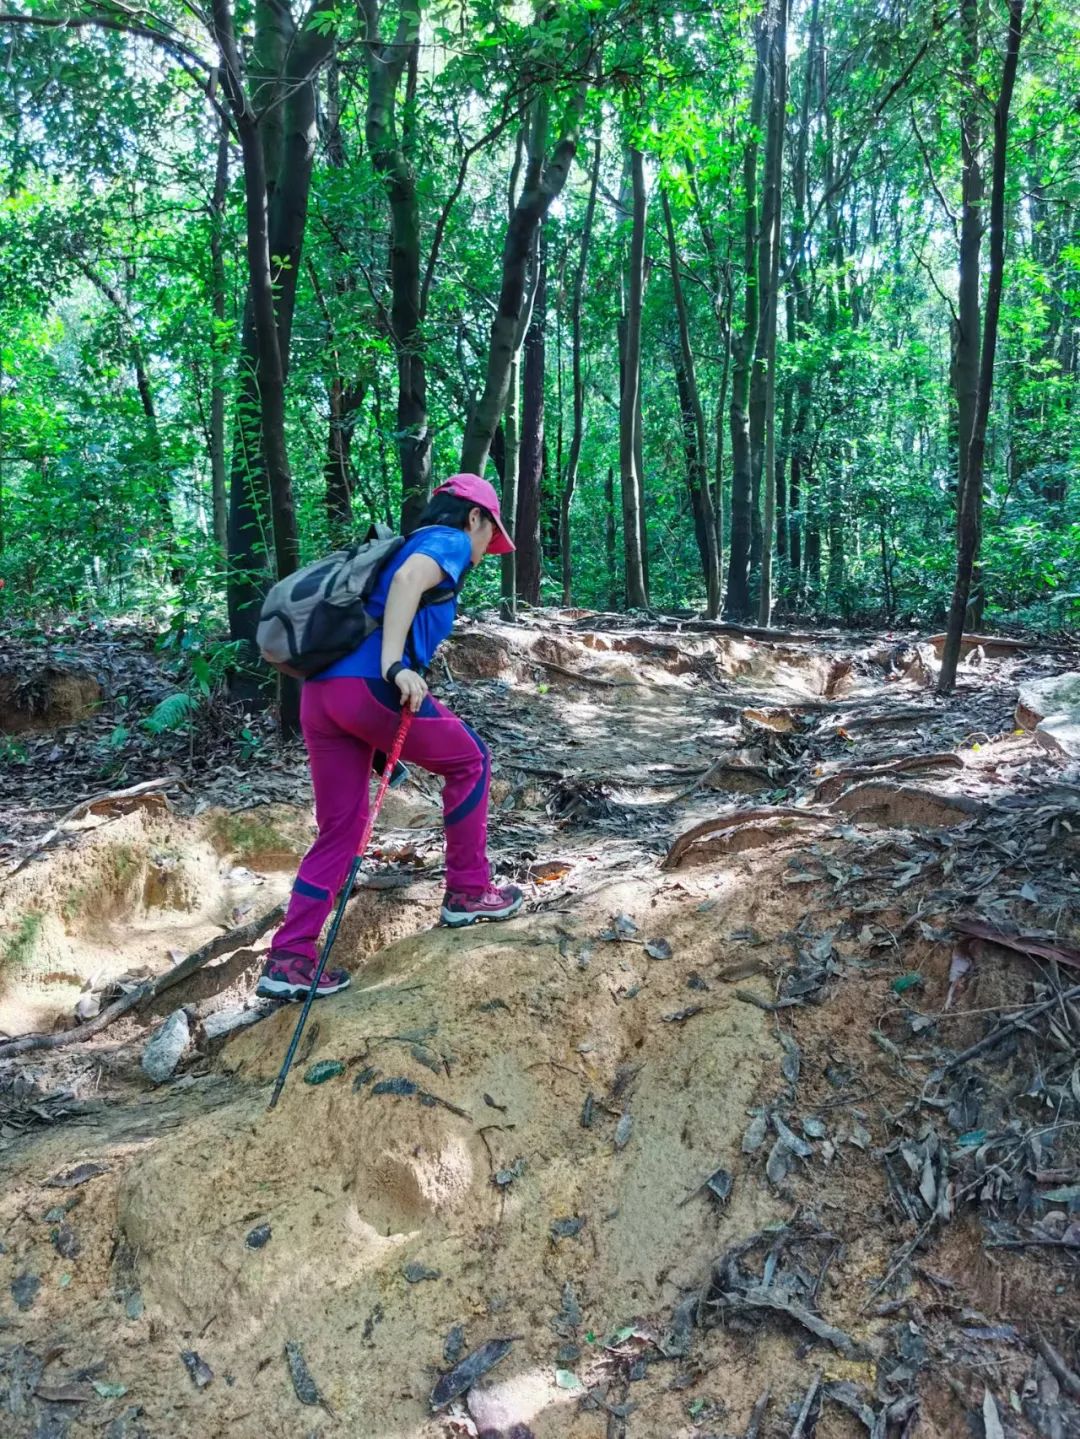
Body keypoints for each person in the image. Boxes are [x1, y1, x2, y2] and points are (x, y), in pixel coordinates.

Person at [256, 474, 524, 1001]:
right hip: (369, 686)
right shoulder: (443, 539)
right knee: (470, 762)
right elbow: (407, 583)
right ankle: (469, 891)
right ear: (474, 517)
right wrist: (395, 664)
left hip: (320, 696)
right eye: (487, 538)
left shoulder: (403, 545)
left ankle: (290, 958)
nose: (484, 553)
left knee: (342, 829)